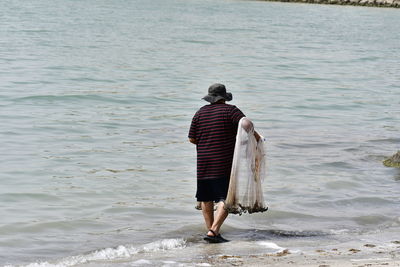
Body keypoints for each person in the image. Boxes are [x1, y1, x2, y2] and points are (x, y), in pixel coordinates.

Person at [188, 83, 260, 243]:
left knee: (205, 198)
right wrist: (256, 137)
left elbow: (192, 139)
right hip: (222, 161)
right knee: (225, 198)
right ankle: (214, 231)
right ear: (224, 97)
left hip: (203, 162)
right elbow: (246, 124)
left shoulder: (199, 113)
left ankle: (212, 232)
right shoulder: (231, 111)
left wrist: (207, 141)